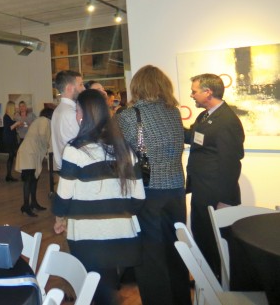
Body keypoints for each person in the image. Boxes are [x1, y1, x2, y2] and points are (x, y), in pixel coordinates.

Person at [53, 89, 145, 305]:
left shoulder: (75, 150)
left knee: (98, 293)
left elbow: (64, 195)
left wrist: (59, 218)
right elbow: (139, 198)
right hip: (122, 236)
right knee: (106, 289)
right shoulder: (124, 148)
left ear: (84, 115)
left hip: (88, 237)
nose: (76, 115)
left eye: (77, 111)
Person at [117, 65, 191, 305]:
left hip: (149, 191)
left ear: (137, 86)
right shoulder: (173, 112)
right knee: (175, 249)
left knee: (150, 256)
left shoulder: (129, 115)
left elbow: (118, 152)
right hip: (176, 189)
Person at [185, 73, 245, 278]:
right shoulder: (204, 116)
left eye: (194, 91)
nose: (191, 95)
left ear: (208, 92)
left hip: (216, 195)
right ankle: (207, 281)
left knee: (216, 242)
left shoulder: (227, 121)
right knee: (203, 237)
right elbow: (193, 137)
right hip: (202, 191)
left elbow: (231, 162)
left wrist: (225, 200)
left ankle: (219, 283)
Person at [15, 107, 53, 217]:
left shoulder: (40, 120)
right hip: (29, 153)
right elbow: (42, 134)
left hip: (31, 152)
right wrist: (46, 145)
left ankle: (33, 203)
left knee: (34, 179)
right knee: (28, 180)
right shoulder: (44, 120)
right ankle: (26, 206)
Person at [51, 70, 84, 170]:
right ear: (69, 88)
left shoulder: (58, 110)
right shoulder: (71, 113)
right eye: (81, 85)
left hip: (66, 167)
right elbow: (82, 144)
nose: (83, 88)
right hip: (75, 168)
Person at [3, 101, 21, 182]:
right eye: (14, 107)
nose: (16, 108)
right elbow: (9, 128)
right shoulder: (6, 117)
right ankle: (9, 175)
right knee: (12, 156)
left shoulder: (10, 117)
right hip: (9, 139)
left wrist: (16, 124)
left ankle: (9, 175)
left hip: (11, 138)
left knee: (12, 156)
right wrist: (16, 123)